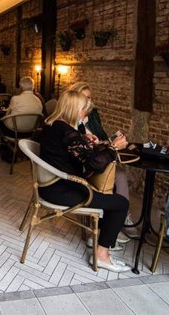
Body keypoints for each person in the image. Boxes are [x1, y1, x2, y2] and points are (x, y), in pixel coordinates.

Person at [39, 90, 131, 272]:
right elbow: (95, 165)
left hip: (50, 185)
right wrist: (113, 147)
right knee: (120, 203)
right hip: (61, 190)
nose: (85, 114)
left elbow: (68, 149)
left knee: (108, 199)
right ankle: (102, 255)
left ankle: (99, 241)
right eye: (83, 110)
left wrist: (82, 139)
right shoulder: (67, 132)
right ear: (74, 109)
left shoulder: (52, 125)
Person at [68, 81, 136, 239]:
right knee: (115, 175)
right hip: (83, 164)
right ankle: (104, 226)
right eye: (84, 98)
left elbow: (103, 136)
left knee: (119, 174)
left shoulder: (93, 114)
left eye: (90, 98)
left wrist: (108, 142)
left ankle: (119, 218)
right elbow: (80, 151)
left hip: (95, 155)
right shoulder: (70, 121)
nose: (88, 102)